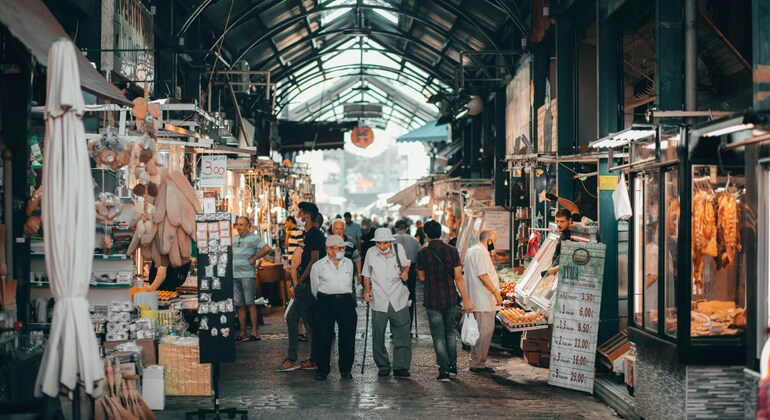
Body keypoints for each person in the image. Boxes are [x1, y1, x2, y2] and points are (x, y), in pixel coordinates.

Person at [416, 220, 473, 382]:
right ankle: (453, 366)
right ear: (440, 232)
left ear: (426, 235)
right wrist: (466, 300)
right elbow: (458, 278)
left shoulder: (423, 254)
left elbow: (421, 277)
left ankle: (443, 371)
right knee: (449, 333)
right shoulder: (452, 251)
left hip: (433, 299)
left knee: (438, 336)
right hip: (450, 299)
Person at [275, 202, 326, 372]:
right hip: (310, 283)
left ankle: (292, 359)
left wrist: (301, 281)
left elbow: (314, 259)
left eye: (300, 213)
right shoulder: (311, 234)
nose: (298, 216)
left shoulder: (313, 234)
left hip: (308, 284)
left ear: (307, 215)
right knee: (309, 321)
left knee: (291, 317)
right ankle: (313, 359)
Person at [362, 228, 412, 378]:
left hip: (398, 298)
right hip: (379, 299)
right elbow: (366, 274)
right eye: (379, 243)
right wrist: (366, 290)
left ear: (390, 242)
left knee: (402, 333)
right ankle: (383, 365)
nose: (382, 247)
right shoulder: (371, 252)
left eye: (385, 243)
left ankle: (401, 367)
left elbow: (406, 264)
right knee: (378, 334)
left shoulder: (399, 249)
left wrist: (406, 272)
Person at [310, 235, 358, 381]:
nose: (343, 250)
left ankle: (346, 370)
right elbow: (314, 288)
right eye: (339, 248)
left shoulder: (349, 263)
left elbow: (350, 283)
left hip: (346, 302)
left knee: (348, 337)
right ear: (329, 249)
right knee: (323, 336)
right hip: (325, 302)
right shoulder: (318, 266)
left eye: (343, 248)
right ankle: (322, 370)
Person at [463, 230, 503, 374]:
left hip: (476, 299)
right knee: (484, 333)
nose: (496, 244)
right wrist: (496, 293)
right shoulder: (481, 252)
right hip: (483, 300)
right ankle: (478, 363)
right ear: (489, 240)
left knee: (479, 332)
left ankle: (475, 360)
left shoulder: (471, 250)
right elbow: (483, 275)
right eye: (495, 240)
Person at [233, 216, 271, 342]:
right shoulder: (233, 239)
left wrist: (254, 258)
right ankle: (243, 333)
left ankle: (255, 332)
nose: (238, 227)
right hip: (234, 276)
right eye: (237, 224)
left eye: (241, 225)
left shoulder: (253, 238)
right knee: (239, 305)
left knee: (250, 304)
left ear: (247, 226)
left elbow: (267, 248)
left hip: (247, 275)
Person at [393, 219, 421, 329]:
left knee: (395, 298)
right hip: (411, 270)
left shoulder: (391, 240)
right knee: (410, 297)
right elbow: (419, 258)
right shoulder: (414, 240)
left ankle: (396, 327)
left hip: (395, 270)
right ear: (406, 229)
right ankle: (408, 327)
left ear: (395, 228)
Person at [331, 219, 362, 288]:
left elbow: (357, 259)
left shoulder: (350, 242)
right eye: (336, 229)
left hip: (348, 281)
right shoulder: (328, 242)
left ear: (344, 230)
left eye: (341, 229)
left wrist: (359, 274)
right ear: (332, 229)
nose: (339, 231)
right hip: (332, 282)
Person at [546, 209, 574, 276]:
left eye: (562, 221)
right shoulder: (563, 233)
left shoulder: (571, 236)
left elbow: (570, 260)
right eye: (557, 221)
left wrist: (555, 269)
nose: (559, 224)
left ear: (569, 221)